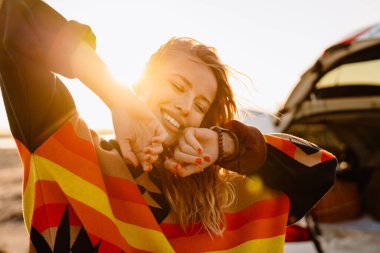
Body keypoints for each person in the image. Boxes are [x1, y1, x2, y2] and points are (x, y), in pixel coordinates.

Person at [0, 0, 337, 252]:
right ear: (142, 82)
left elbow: (318, 171)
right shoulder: (70, 150)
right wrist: (117, 97)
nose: (185, 107)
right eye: (177, 87)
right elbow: (12, 16)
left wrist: (226, 145)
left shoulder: (229, 199)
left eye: (200, 106)